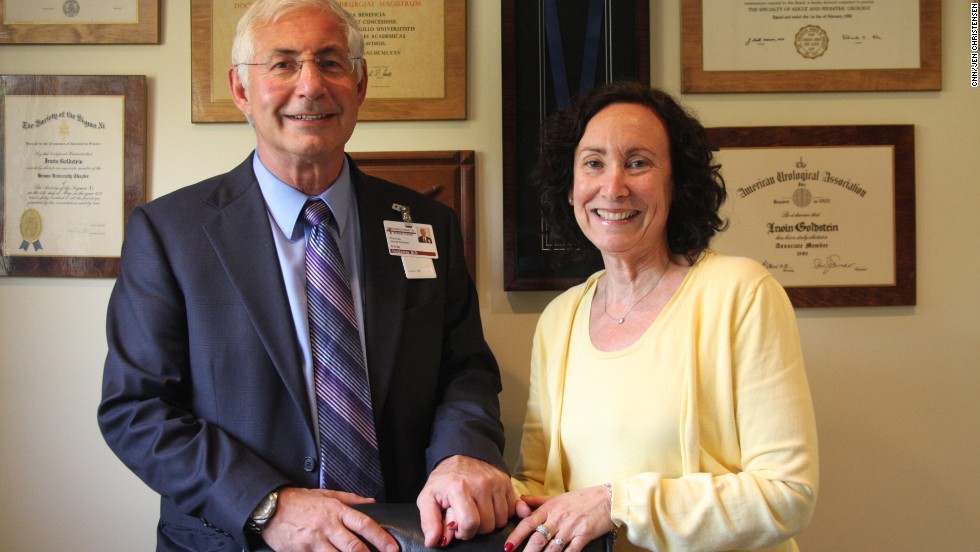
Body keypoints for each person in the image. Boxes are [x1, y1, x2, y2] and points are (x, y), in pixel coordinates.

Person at [97, 1, 515, 550]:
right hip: (236, 538)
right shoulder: (170, 233)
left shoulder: (427, 223)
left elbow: (466, 371)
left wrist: (463, 454)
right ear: (241, 90)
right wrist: (265, 504)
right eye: (283, 64)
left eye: (331, 62)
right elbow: (137, 409)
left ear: (360, 83)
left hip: (409, 534)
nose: (311, 85)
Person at [504, 81, 818, 552]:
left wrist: (618, 504)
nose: (613, 187)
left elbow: (788, 495)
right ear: (570, 189)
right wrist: (475, 484)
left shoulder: (742, 292)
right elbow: (538, 485)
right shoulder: (559, 319)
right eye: (593, 163)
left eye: (638, 163)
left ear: (676, 184)